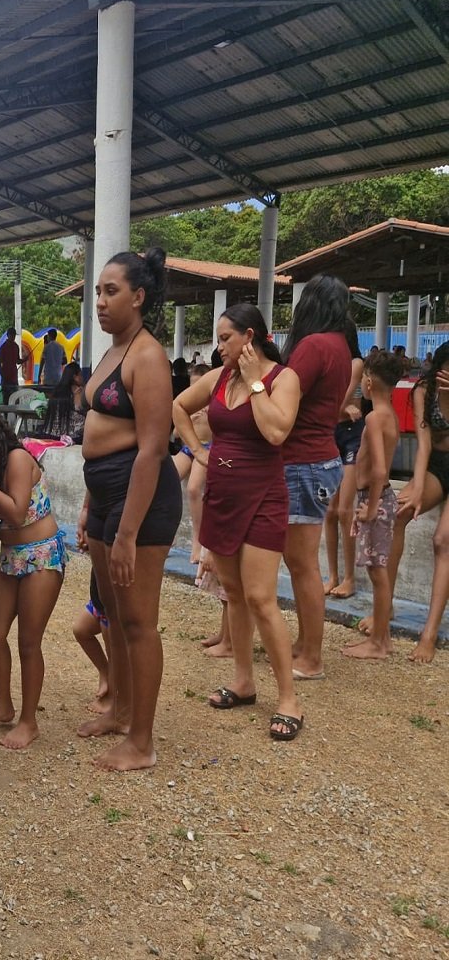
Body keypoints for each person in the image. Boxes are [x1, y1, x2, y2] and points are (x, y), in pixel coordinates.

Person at [173, 303, 304, 741]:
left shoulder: (284, 379)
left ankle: (289, 699)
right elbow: (178, 407)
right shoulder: (218, 378)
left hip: (264, 496)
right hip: (223, 495)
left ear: (250, 336)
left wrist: (254, 384)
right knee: (233, 594)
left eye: (225, 338)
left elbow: (276, 433)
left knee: (261, 597)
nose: (218, 346)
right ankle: (244, 681)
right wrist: (197, 450)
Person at [78, 247, 181, 770]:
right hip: (105, 498)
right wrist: (91, 508)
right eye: (98, 290)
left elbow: (152, 448)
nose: (100, 301)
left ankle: (142, 742)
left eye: (111, 290)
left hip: (140, 500)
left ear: (138, 297)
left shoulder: (147, 356)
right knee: (113, 616)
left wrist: (125, 533)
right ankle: (119, 711)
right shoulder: (113, 349)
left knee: (138, 620)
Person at [0, 415, 66, 750]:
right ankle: (3, 705)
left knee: (29, 641)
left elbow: (15, 512)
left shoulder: (17, 458)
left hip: (41, 553)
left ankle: (29, 721)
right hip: (11, 556)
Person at [280, 276, 353, 682]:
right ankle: (305, 643)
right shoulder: (340, 345)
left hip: (303, 461)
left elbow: (285, 396)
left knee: (302, 564)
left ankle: (312, 656)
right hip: (321, 458)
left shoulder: (313, 346)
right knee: (300, 562)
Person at [370, 342, 449, 663]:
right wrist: (416, 485)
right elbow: (424, 443)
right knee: (398, 512)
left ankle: (429, 633)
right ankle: (384, 607)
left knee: (443, 540)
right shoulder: (424, 390)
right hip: (437, 467)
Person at [342, 350, 404, 660]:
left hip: (375, 499)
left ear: (367, 381)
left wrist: (369, 506)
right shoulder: (390, 413)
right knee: (377, 571)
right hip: (377, 498)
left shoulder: (375, 416)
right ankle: (384, 637)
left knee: (378, 573)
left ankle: (378, 642)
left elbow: (379, 468)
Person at [323, 321, 366, 599]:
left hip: (351, 435)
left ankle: (349, 577)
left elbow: (336, 401)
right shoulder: (329, 361)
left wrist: (336, 408)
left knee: (344, 510)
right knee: (329, 511)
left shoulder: (355, 362)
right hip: (332, 432)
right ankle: (334, 575)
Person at [172, 362, 211, 565]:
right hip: (188, 449)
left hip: (207, 449)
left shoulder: (214, 403)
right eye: (192, 386)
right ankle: (167, 533)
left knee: (194, 488)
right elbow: (175, 435)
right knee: (165, 481)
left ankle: (198, 543)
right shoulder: (187, 404)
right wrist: (189, 420)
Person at [72, 570, 111, 730]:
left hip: (112, 605)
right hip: (99, 600)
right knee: (81, 630)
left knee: (114, 652)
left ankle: (114, 697)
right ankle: (106, 672)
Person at [39, 361, 85, 441]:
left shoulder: (56, 391)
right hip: (71, 437)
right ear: (75, 377)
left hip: (51, 434)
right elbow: (80, 411)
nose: (82, 377)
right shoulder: (78, 392)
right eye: (80, 375)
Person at [0, 327, 23, 404]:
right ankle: (6, 416)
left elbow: (17, 361)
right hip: (6, 377)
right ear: (8, 335)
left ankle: (14, 416)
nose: (13, 337)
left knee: (15, 399)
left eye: (14, 335)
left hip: (14, 378)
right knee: (6, 399)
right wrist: (2, 374)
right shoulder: (3, 347)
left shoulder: (16, 347)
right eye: (11, 335)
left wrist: (24, 360)